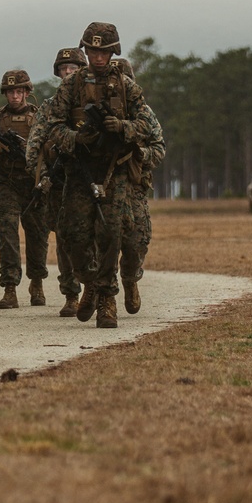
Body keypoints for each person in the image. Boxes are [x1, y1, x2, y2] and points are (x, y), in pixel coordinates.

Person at [43, 22, 158, 328]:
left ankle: (107, 297)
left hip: (114, 170)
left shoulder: (127, 86)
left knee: (111, 234)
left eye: (103, 51)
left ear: (112, 52)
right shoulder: (71, 85)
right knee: (72, 235)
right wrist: (75, 138)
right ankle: (89, 281)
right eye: (92, 50)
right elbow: (52, 126)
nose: (97, 56)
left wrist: (122, 128)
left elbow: (147, 124)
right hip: (80, 170)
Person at [0, 69, 49, 309]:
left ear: (27, 92)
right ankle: (10, 287)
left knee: (37, 235)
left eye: (19, 91)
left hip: (33, 183)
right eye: (10, 92)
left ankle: (36, 282)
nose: (15, 96)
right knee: (7, 234)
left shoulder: (39, 118)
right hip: (6, 182)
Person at [26, 47, 87, 316]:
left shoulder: (96, 103)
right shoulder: (50, 106)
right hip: (61, 182)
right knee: (64, 238)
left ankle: (96, 288)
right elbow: (34, 144)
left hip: (92, 179)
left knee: (96, 236)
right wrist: (40, 176)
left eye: (74, 69)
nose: (68, 73)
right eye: (64, 70)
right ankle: (71, 295)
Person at [111, 58, 166, 316]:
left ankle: (130, 279)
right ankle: (104, 296)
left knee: (136, 242)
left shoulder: (144, 113)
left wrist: (139, 154)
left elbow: (158, 148)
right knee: (103, 242)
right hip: (105, 187)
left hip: (134, 187)